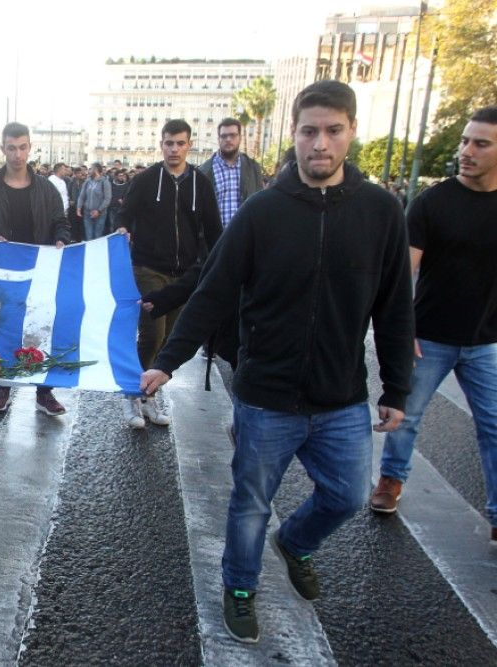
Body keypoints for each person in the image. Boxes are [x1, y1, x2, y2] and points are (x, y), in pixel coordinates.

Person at [140, 81, 413, 644]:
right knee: (250, 503)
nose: (320, 143)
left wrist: (397, 388)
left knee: (348, 495)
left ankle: (298, 543)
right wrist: (167, 361)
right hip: (266, 393)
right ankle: (240, 587)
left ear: (351, 133)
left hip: (340, 396)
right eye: (309, 130)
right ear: (294, 134)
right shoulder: (263, 211)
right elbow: (212, 291)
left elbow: (393, 305)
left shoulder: (382, 212)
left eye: (333, 130)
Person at [370, 106, 497, 539]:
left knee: (494, 425)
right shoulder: (434, 202)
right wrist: (403, 330)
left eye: (480, 143)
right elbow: (402, 273)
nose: (466, 151)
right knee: (406, 415)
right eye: (464, 141)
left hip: (486, 340)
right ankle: (391, 480)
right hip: (429, 337)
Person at [118, 118, 222, 427]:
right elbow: (125, 213)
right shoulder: (147, 179)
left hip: (185, 275)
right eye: (168, 143)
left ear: (189, 145)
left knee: (169, 341)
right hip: (148, 267)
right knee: (152, 335)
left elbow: (214, 228)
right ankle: (132, 396)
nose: (174, 149)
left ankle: (149, 395)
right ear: (161, 144)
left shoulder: (201, 184)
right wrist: (122, 227)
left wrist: (220, 263)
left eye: (180, 143)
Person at [0, 122, 71, 416]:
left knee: (42, 329)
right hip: (4, 272)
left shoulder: (47, 188)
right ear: (3, 149)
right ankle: (3, 387)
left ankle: (44, 392)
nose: (17, 154)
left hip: (40, 271)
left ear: (29, 147)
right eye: (11, 148)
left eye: (22, 147)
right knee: (5, 330)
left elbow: (61, 222)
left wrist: (62, 238)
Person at [199, 118, 265, 229]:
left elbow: (261, 206)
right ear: (218, 139)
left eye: (233, 135)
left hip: (245, 241)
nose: (228, 139)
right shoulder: (203, 171)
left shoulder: (253, 169)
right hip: (215, 242)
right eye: (224, 136)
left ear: (240, 137)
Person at [77, 162, 112, 241]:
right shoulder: (88, 181)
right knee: (88, 235)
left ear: (96, 170)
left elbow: (107, 199)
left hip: (100, 214)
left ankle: (96, 252)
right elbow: (82, 196)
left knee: (97, 236)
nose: (89, 171)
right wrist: (79, 207)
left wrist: (99, 211)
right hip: (87, 212)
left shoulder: (105, 182)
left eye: (91, 169)